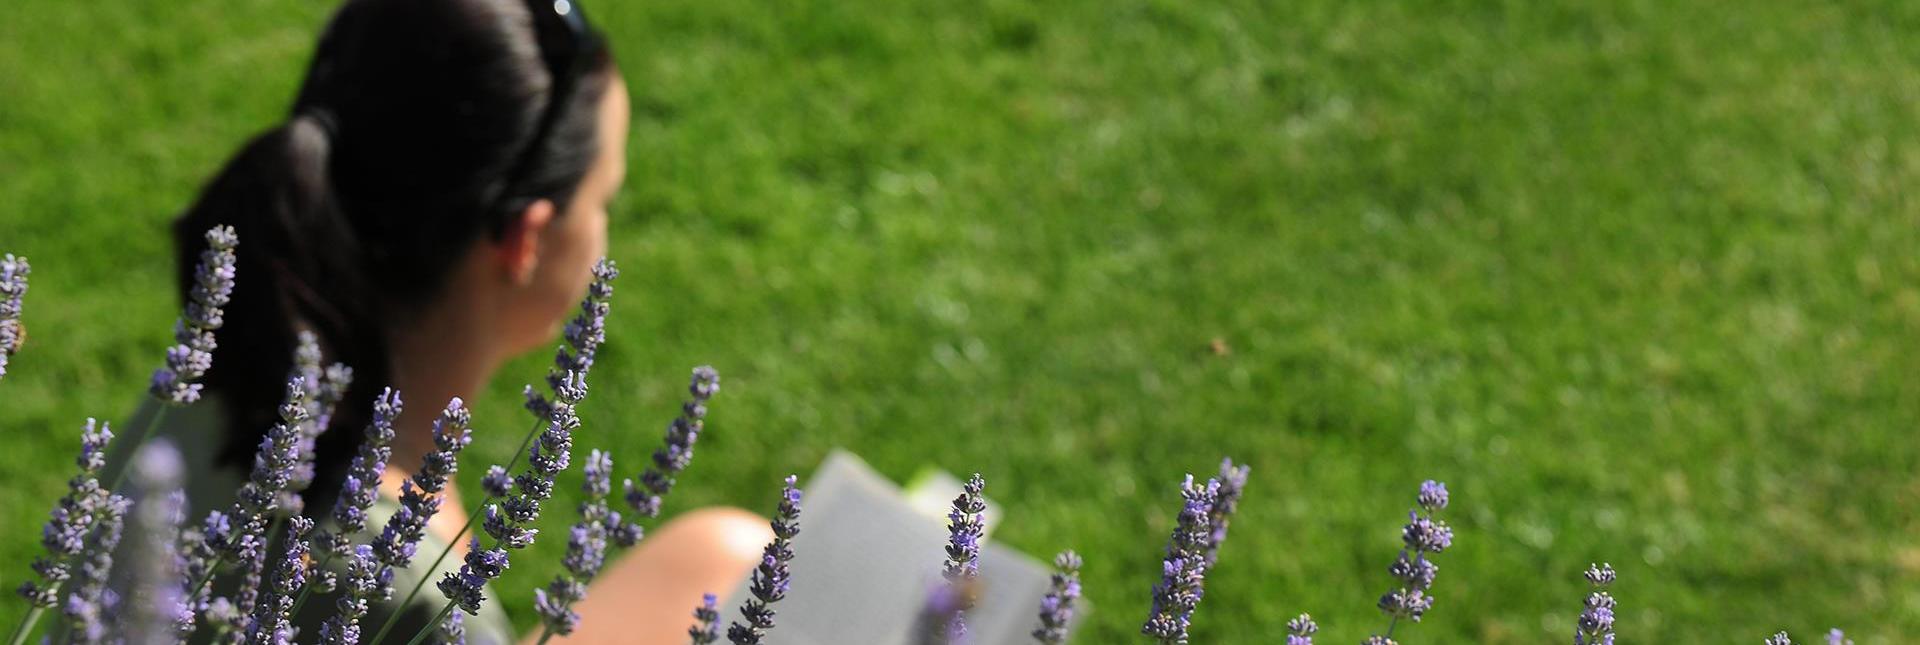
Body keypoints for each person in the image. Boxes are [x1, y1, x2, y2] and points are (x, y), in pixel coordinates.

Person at [144, 0, 772, 642]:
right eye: (603, 201)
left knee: (724, 552)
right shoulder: (412, 600)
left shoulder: (214, 376)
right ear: (524, 242)